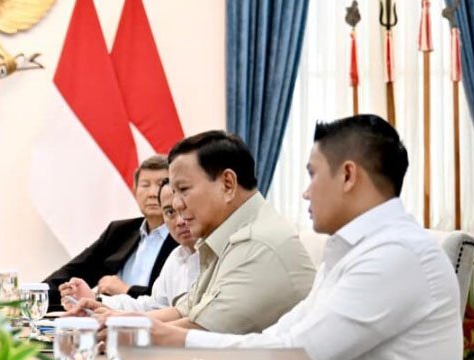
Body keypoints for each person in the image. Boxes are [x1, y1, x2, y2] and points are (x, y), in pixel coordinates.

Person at [149, 115, 462, 360]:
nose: (306, 193)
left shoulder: (397, 255)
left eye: (313, 175)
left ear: (348, 175)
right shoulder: (351, 252)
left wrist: (179, 341)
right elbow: (279, 338)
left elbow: (297, 358)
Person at [72, 131, 314, 334]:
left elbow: (201, 331)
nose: (176, 204)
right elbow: (186, 310)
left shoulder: (257, 242)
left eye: (183, 189)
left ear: (228, 184)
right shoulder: (223, 238)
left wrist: (120, 329)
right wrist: (116, 319)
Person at [46, 156, 179, 310]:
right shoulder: (120, 231)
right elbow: (74, 271)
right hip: (106, 320)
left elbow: (168, 299)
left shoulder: (183, 235)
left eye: (161, 184)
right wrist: (31, 295)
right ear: (134, 190)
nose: (153, 193)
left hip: (158, 324)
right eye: (145, 185)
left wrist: (126, 289)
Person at [68, 181, 199, 313]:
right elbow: (153, 305)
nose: (180, 221)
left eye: (185, 208)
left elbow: (189, 318)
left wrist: (119, 318)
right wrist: (95, 300)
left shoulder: (216, 253)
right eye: (170, 212)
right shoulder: (177, 256)